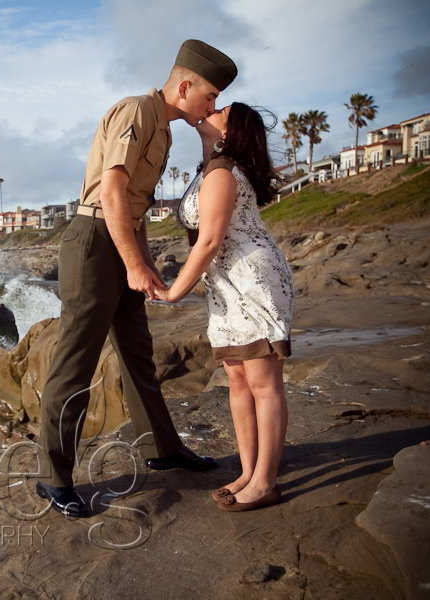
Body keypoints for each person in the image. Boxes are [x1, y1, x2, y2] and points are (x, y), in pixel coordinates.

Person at [35, 40, 238, 518]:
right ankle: (52, 476)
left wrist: (142, 265)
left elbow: (138, 209)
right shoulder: (137, 110)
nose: (211, 108)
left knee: (137, 353)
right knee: (76, 362)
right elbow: (112, 189)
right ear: (184, 85)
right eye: (208, 98)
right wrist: (130, 263)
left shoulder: (165, 131)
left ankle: (161, 448)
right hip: (92, 243)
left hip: (122, 241)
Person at [154, 102, 294, 512]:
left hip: (253, 283)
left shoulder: (223, 172)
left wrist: (175, 290)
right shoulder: (210, 170)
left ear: (231, 133)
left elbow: (210, 241)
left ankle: (266, 482)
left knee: (263, 382)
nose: (210, 109)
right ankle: (250, 472)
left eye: (221, 111)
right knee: (237, 381)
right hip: (227, 286)